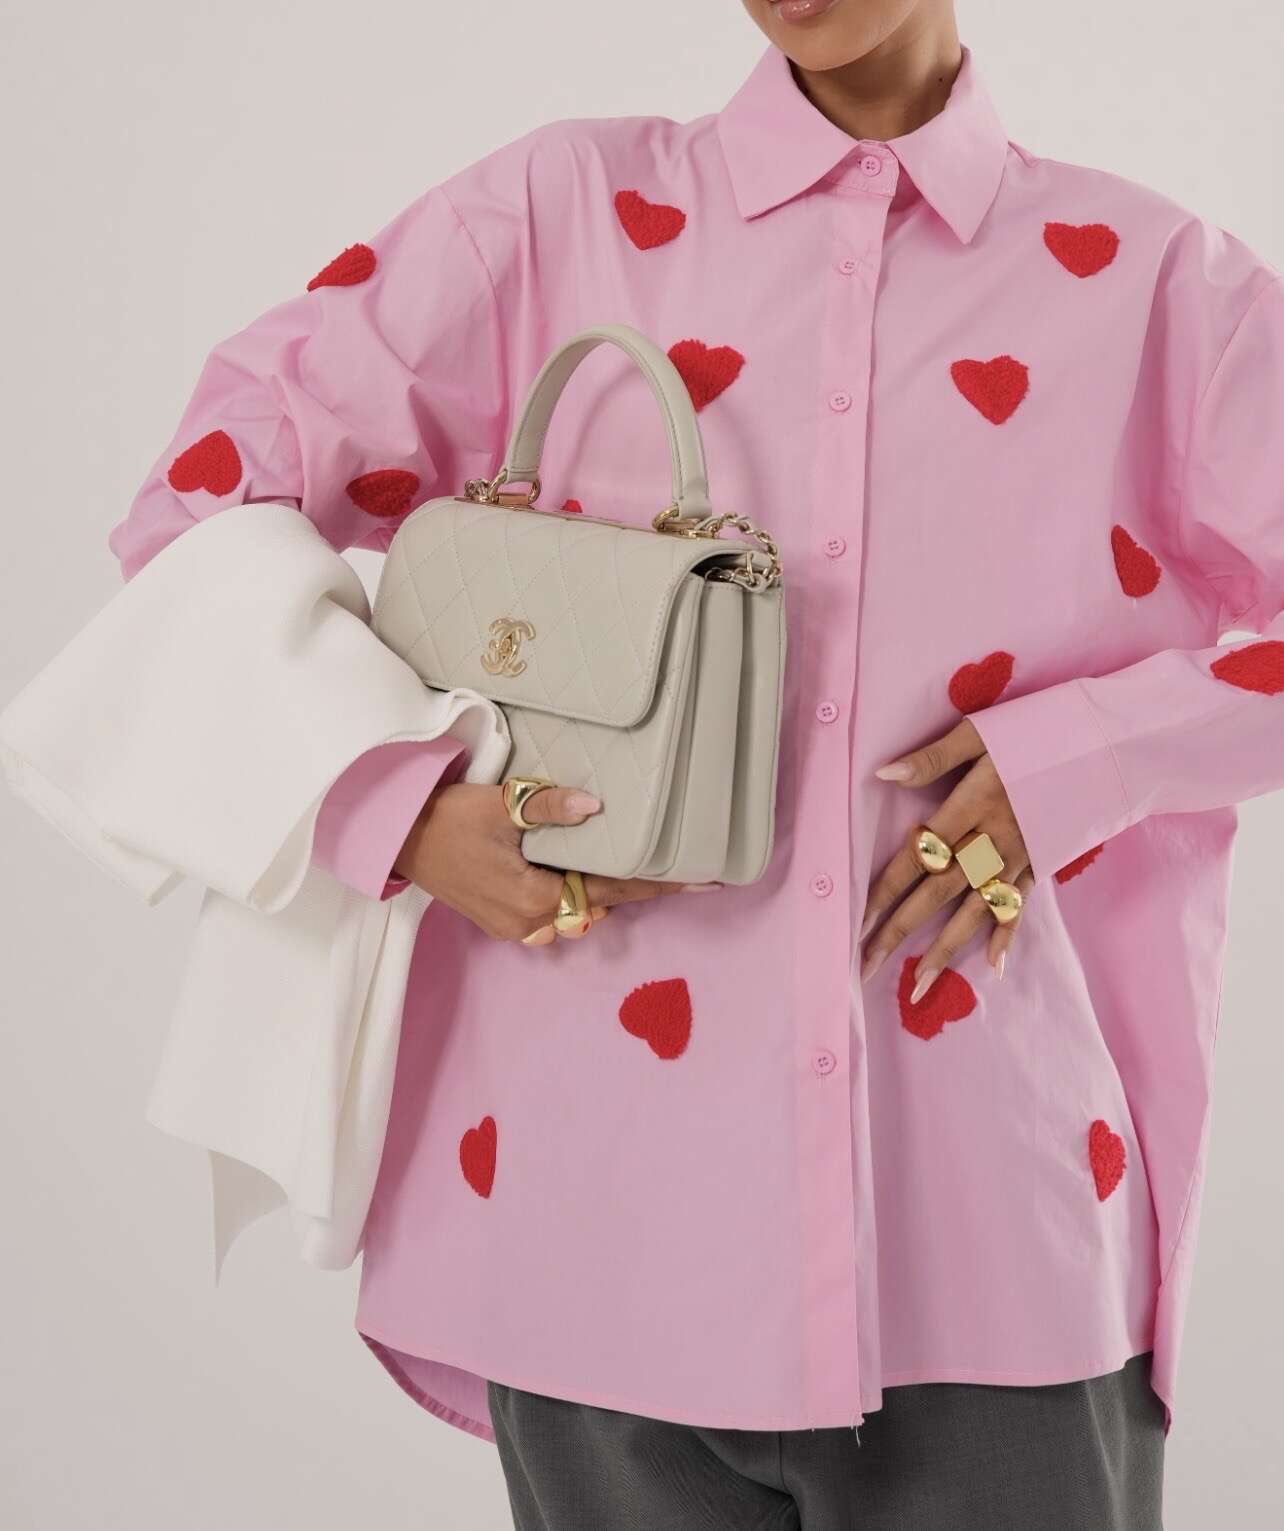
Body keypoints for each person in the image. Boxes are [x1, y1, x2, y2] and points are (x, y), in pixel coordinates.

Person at [19, 0, 1284, 1525]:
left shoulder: (1158, 286)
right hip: (594, 1233)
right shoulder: (554, 217)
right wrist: (397, 809)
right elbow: (207, 499)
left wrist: (1079, 759)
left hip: (992, 1242)